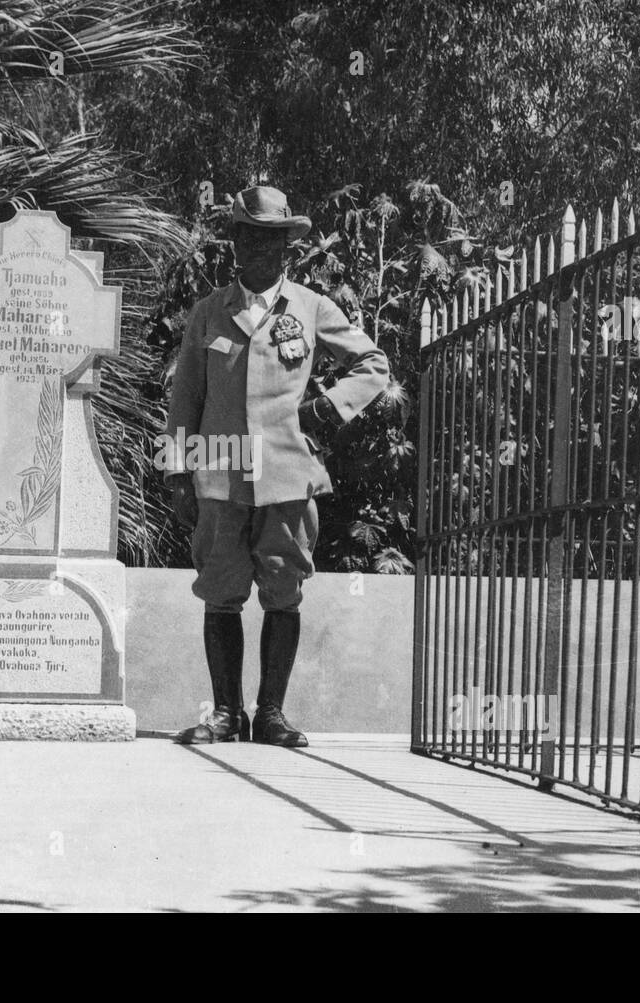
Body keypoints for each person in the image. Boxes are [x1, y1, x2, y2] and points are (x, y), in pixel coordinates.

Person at [163, 185, 390, 746]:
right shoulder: (208, 313)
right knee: (220, 587)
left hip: (288, 472)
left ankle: (270, 714)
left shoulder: (312, 308)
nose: (261, 250)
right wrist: (176, 469)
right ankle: (224, 713)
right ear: (235, 244)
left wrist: (327, 408)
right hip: (219, 471)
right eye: (250, 237)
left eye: (272, 240)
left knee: (284, 587)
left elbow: (372, 363)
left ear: (288, 247)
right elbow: (185, 396)